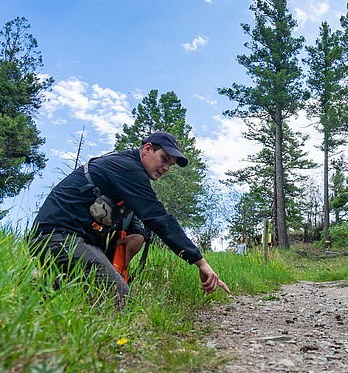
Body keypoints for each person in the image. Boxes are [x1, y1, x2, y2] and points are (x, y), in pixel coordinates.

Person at [29, 131, 229, 307]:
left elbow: (133, 216)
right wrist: (199, 261)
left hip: (73, 242)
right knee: (122, 300)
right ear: (147, 149)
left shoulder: (127, 170)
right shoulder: (127, 168)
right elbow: (157, 216)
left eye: (171, 164)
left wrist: (139, 234)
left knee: (61, 298)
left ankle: (40, 288)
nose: (167, 168)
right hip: (57, 239)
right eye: (164, 159)